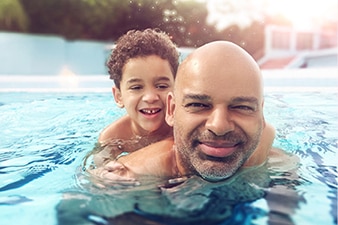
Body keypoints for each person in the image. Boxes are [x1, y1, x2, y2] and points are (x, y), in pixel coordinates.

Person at [90, 41, 278, 182]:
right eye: (198, 105)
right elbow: (98, 169)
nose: (150, 97)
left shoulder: (264, 137)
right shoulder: (115, 137)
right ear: (173, 110)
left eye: (242, 107)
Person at [85, 28, 179, 167]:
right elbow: (99, 176)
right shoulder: (113, 137)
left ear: (177, 88)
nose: (150, 97)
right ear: (119, 97)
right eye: (136, 87)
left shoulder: (180, 128)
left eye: (161, 86)